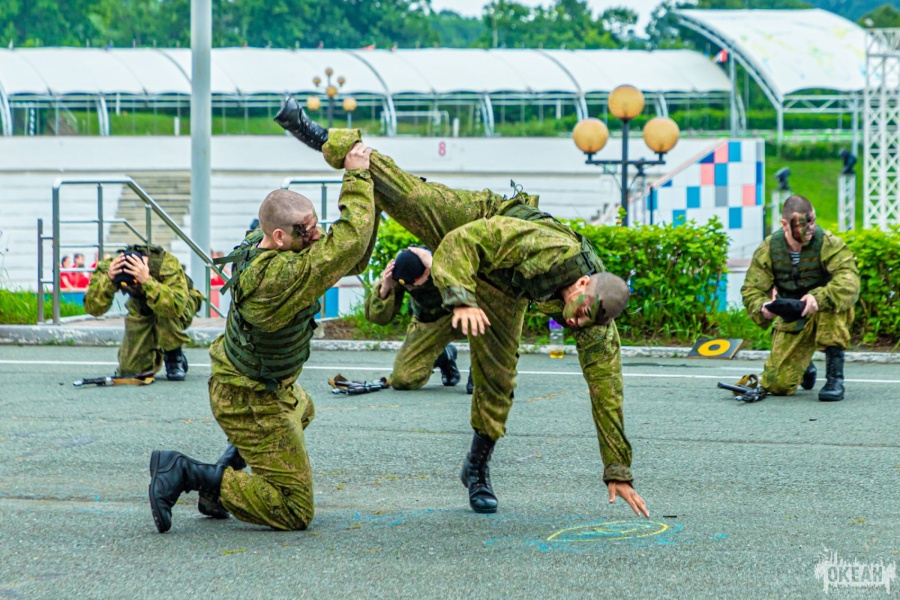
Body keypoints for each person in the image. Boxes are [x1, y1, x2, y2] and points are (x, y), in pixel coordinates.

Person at [275, 99, 647, 518]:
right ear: (581, 284)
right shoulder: (547, 248)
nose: (575, 321)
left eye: (583, 322)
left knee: (499, 379)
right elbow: (461, 244)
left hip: (505, 289)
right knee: (406, 193)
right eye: (579, 311)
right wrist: (462, 299)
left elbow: (607, 393)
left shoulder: (596, 318)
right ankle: (322, 136)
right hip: (478, 227)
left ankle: (476, 468)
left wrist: (618, 470)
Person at [147, 142, 376, 533]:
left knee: (302, 408)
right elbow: (347, 245)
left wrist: (374, 196)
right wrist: (357, 176)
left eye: (315, 225)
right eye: (308, 230)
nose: (317, 235)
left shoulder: (261, 241)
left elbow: (346, 256)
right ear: (280, 237)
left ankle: (218, 482)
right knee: (294, 509)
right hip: (249, 398)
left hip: (256, 382)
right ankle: (185, 473)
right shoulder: (278, 278)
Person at [741, 195, 860, 402]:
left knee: (832, 308)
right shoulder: (769, 248)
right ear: (785, 224)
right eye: (803, 225)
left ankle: (834, 379)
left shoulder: (828, 243)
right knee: (777, 384)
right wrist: (762, 306)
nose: (810, 229)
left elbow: (849, 281)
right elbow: (751, 289)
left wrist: (817, 297)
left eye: (812, 221)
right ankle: (805, 366)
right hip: (792, 315)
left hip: (824, 311)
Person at [84, 245, 204, 381]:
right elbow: (93, 308)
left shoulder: (166, 264)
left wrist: (146, 280)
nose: (134, 285)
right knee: (130, 370)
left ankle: (174, 355)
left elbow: (175, 306)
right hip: (142, 303)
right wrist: (109, 279)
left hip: (180, 302)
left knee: (164, 309)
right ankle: (153, 353)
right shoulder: (112, 266)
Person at [366, 246, 471, 392]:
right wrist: (385, 288)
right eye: (406, 285)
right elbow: (378, 318)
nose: (409, 288)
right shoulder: (401, 270)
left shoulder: (450, 259)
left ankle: (480, 371)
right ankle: (443, 355)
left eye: (412, 284)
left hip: (464, 314)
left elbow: (475, 292)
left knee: (489, 315)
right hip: (429, 322)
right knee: (402, 379)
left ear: (427, 272)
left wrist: (437, 268)